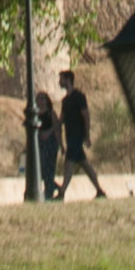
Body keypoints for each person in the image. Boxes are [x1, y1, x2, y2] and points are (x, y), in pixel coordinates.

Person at [56, 70, 107, 199]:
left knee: (69, 163)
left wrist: (87, 135)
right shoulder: (65, 100)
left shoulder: (79, 97)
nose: (59, 82)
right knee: (85, 164)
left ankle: (62, 192)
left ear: (68, 80)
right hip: (69, 136)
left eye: (61, 79)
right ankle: (100, 191)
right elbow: (61, 119)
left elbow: (86, 116)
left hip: (77, 136)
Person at [28, 90, 60, 200]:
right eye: (38, 98)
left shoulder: (50, 113)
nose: (40, 101)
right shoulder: (34, 114)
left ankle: (48, 193)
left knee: (49, 168)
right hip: (39, 143)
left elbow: (57, 127)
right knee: (39, 168)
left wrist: (59, 142)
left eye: (43, 98)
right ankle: (53, 186)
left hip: (50, 143)